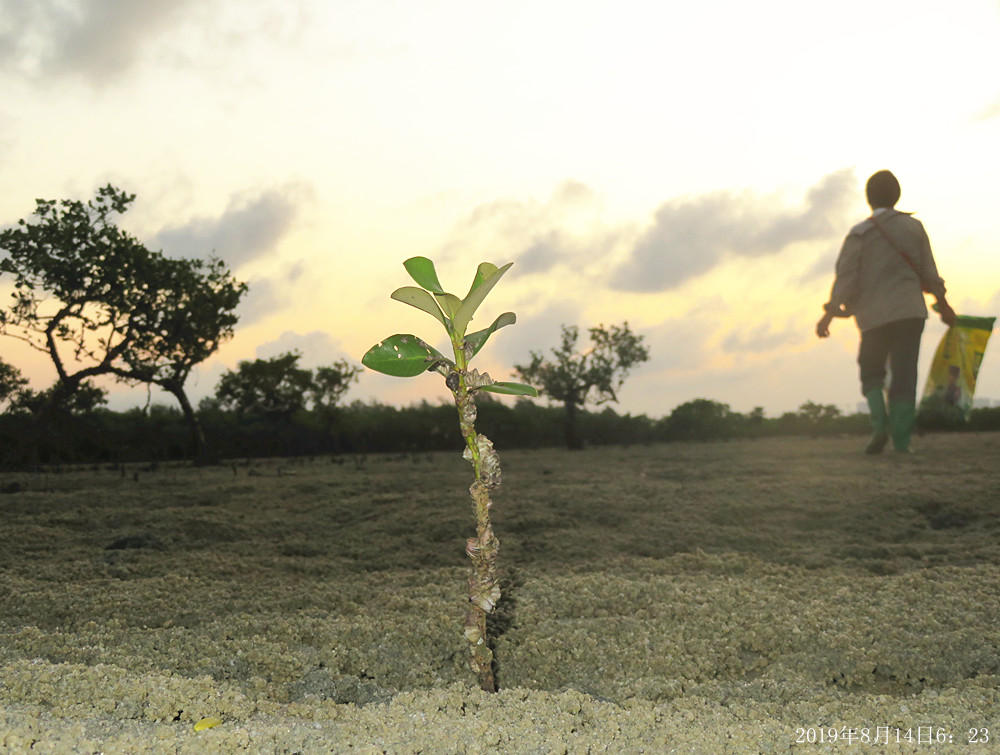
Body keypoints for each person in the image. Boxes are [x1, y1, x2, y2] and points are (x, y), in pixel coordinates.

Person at [816, 170, 956, 453]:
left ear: (868, 198)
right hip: (910, 312)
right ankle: (902, 443)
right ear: (897, 196)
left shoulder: (859, 234)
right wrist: (944, 305)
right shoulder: (913, 227)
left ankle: (880, 426)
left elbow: (845, 279)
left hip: (873, 317)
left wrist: (829, 314)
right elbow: (930, 273)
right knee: (905, 375)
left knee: (871, 372)